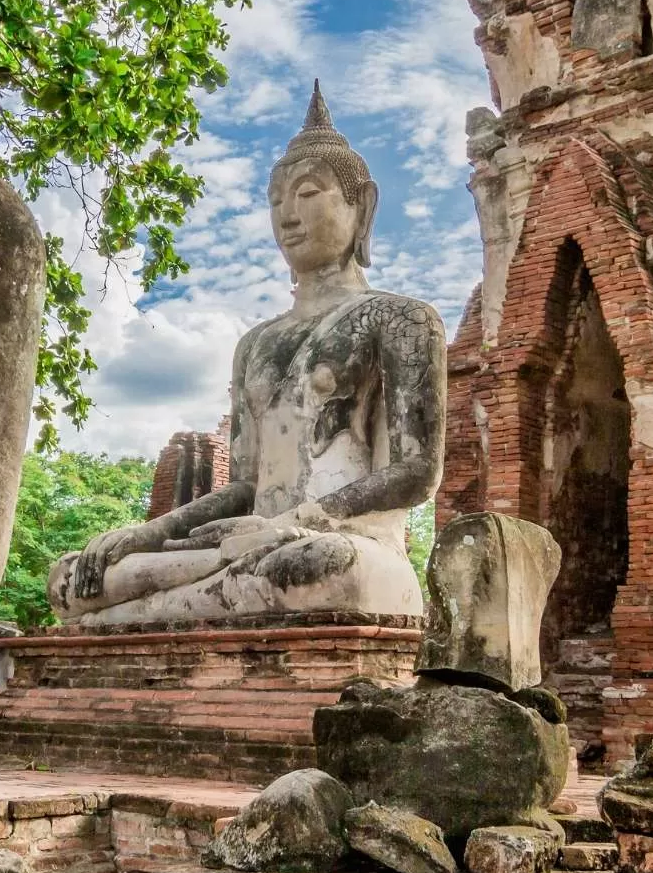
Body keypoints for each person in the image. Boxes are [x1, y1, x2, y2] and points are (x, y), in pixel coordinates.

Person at [48, 84, 445, 625]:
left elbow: (417, 470)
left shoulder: (401, 319)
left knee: (314, 565)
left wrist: (297, 522)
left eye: (308, 193)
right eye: (276, 200)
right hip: (242, 546)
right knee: (70, 577)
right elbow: (246, 486)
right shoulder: (255, 344)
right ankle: (157, 603)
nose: (288, 215)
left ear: (364, 206)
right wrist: (149, 532)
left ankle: (132, 615)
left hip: (345, 544)